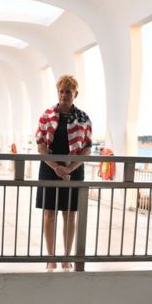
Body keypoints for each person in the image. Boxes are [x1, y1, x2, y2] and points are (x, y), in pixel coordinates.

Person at [35, 75, 92, 271]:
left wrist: (68, 169)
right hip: (49, 169)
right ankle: (51, 257)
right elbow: (41, 146)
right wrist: (57, 168)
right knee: (49, 214)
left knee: (70, 215)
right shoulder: (46, 115)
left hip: (74, 170)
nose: (64, 94)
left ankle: (66, 257)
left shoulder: (84, 118)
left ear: (75, 94)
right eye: (61, 91)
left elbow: (87, 149)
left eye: (68, 91)